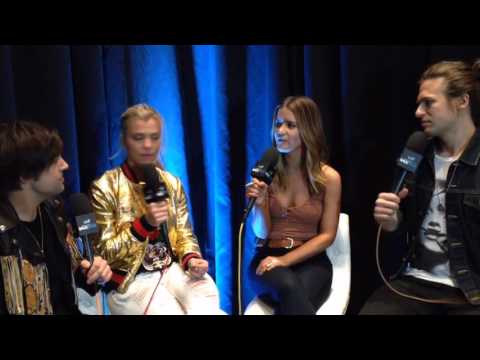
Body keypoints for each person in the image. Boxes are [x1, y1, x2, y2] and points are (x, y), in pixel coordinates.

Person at [361, 59, 480, 315]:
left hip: (471, 292)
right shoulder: (416, 150)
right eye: (418, 103)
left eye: (428, 103)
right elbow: (400, 227)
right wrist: (392, 221)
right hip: (414, 283)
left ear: (462, 101)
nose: (418, 112)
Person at [90, 103, 223, 315]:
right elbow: (104, 253)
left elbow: (185, 234)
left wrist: (192, 259)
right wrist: (143, 225)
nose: (148, 145)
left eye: (154, 137)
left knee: (207, 291)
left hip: (172, 271)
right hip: (131, 282)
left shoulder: (171, 182)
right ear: (124, 140)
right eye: (138, 138)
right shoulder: (105, 187)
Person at [0, 121, 112, 315]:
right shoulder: (4, 237)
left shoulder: (54, 213)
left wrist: (92, 273)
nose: (65, 165)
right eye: (54, 160)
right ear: (24, 175)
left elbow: (71, 279)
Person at [246, 96, 342, 315]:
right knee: (290, 288)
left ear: (308, 130)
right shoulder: (266, 171)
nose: (280, 131)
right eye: (278, 124)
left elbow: (327, 236)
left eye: (290, 125)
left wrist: (284, 260)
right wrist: (260, 204)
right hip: (267, 257)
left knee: (296, 299)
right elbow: (261, 232)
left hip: (311, 260)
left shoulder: (329, 178)